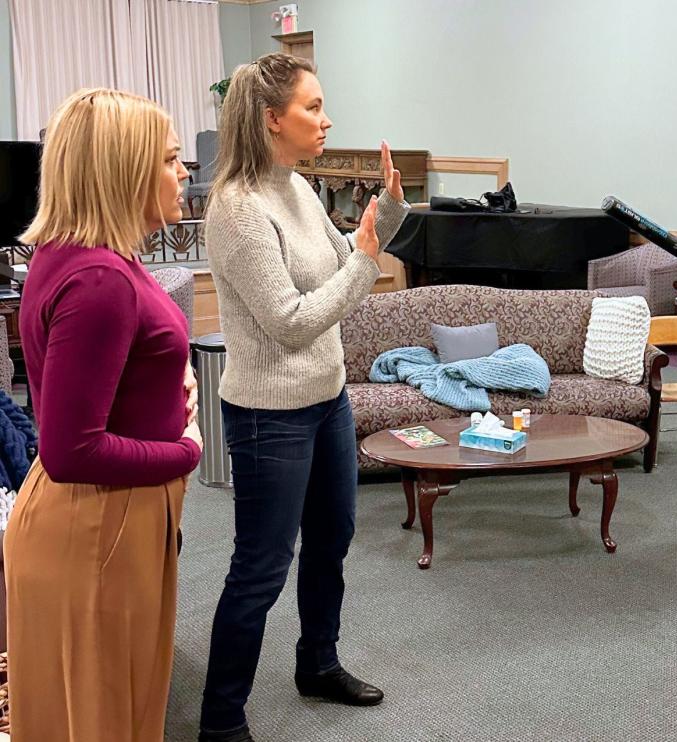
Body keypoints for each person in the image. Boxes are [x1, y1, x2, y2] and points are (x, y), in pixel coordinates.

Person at [198, 53, 409, 742]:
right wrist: (367, 265)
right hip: (269, 414)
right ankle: (221, 721)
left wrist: (391, 216)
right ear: (270, 120)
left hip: (327, 399)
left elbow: (346, 253)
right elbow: (290, 320)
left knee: (331, 540)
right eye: (313, 108)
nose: (326, 119)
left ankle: (317, 663)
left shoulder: (295, 187)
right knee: (260, 569)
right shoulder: (236, 210)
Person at [5, 88, 203, 741]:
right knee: (102, 721)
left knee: (115, 712)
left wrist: (169, 391)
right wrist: (187, 448)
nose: (184, 172)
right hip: (98, 523)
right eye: (172, 159)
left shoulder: (91, 259)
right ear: (125, 169)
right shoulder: (101, 280)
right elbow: (71, 450)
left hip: (104, 519)